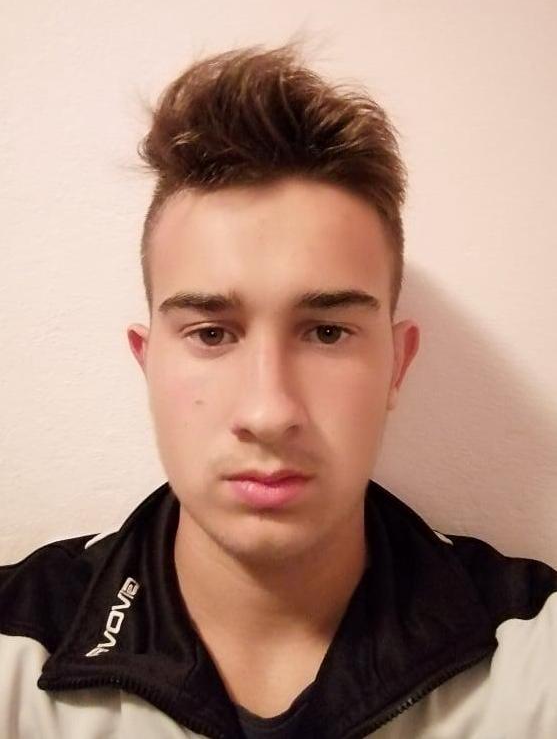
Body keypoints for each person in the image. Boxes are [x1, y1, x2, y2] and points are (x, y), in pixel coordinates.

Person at [0, 43, 555, 739]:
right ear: (148, 364)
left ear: (396, 366)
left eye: (326, 332)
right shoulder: (16, 649)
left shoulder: (531, 653)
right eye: (210, 334)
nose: (268, 413)